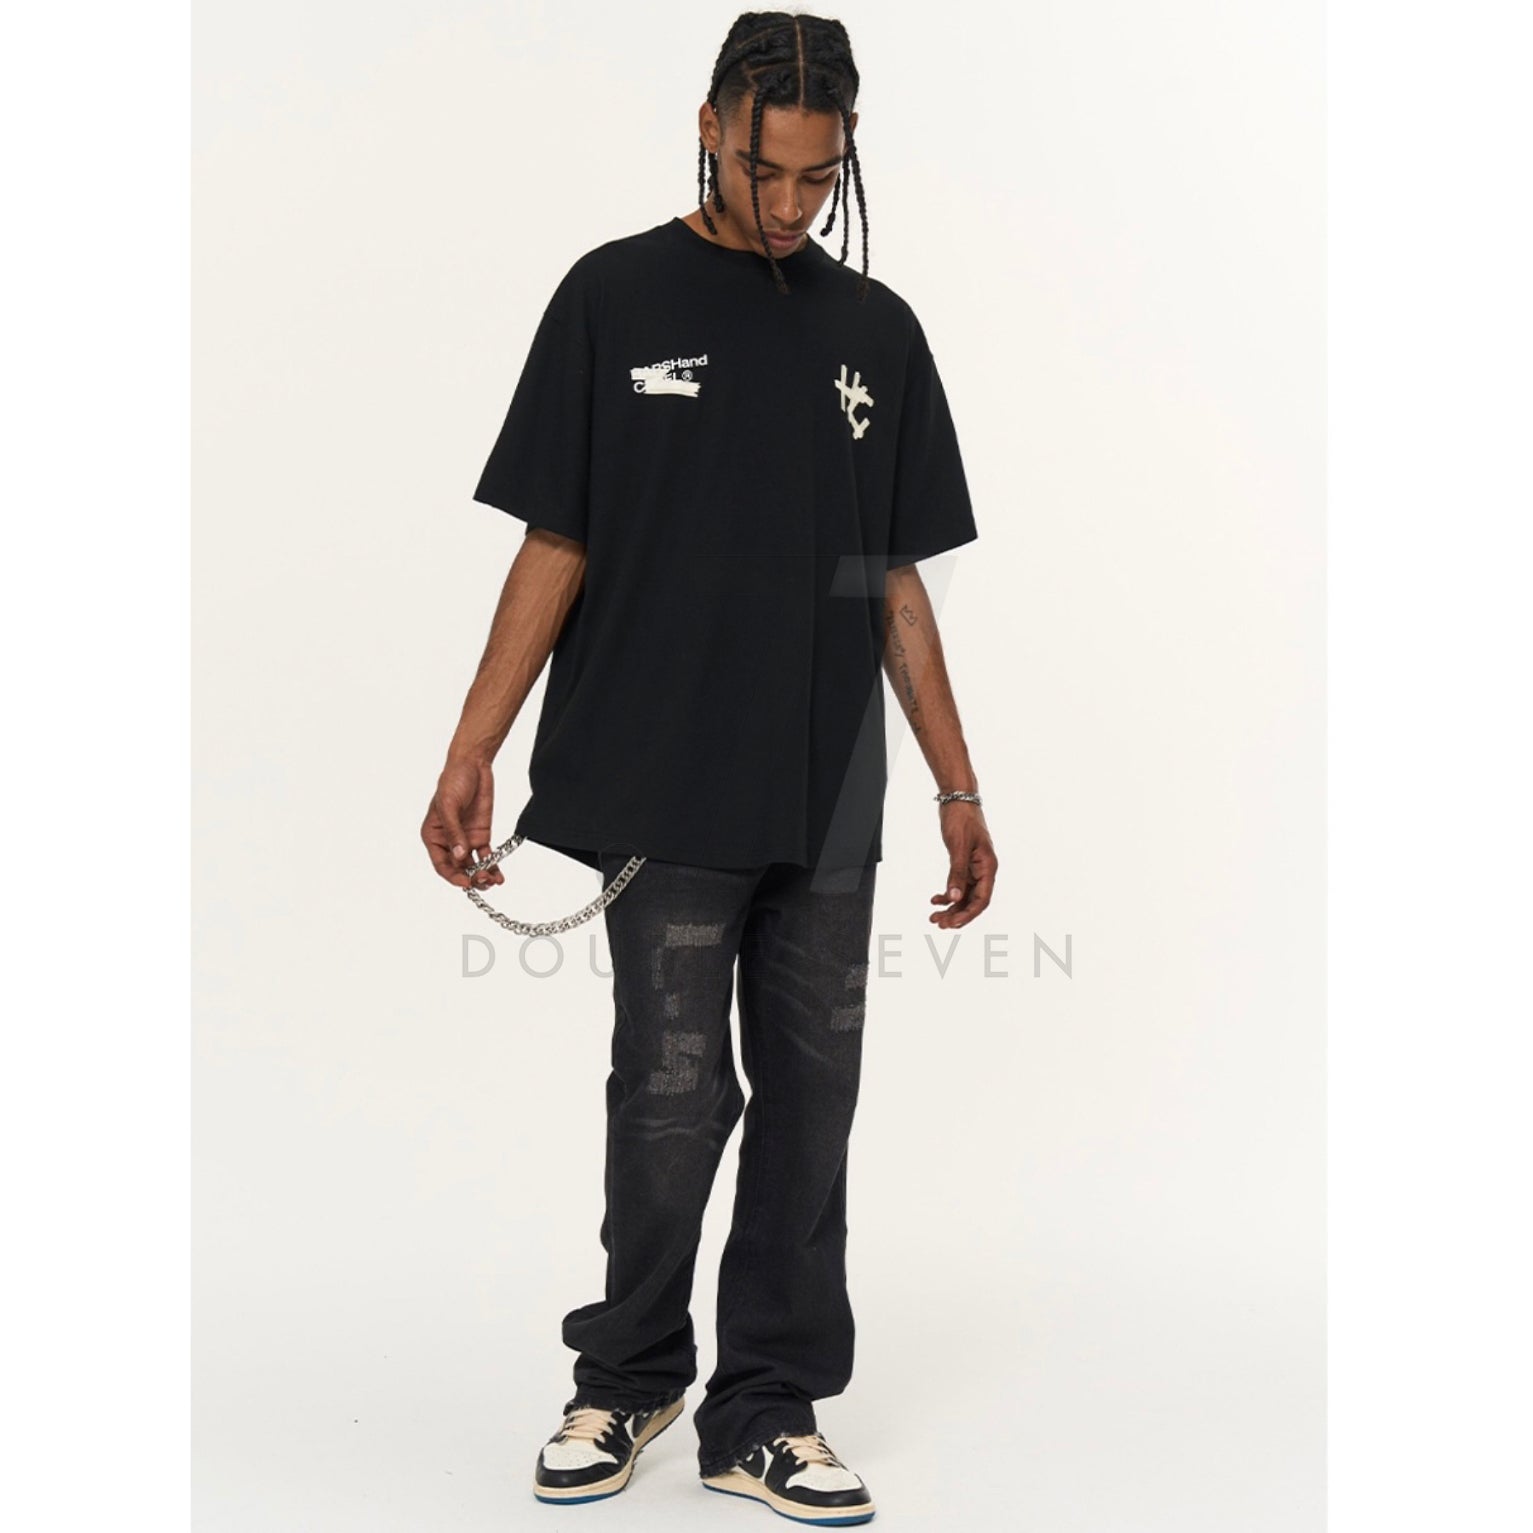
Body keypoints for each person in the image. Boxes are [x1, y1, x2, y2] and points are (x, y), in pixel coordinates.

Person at [421, 11, 996, 1525]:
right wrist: (473, 744)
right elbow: (557, 539)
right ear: (708, 127)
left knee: (813, 1103)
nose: (787, 203)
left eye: (817, 176)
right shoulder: (612, 296)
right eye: (761, 168)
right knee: (672, 1098)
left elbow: (894, 578)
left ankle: (766, 1409)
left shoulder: (877, 334)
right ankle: (626, 1375)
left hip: (826, 796)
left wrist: (957, 785)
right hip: (664, 780)